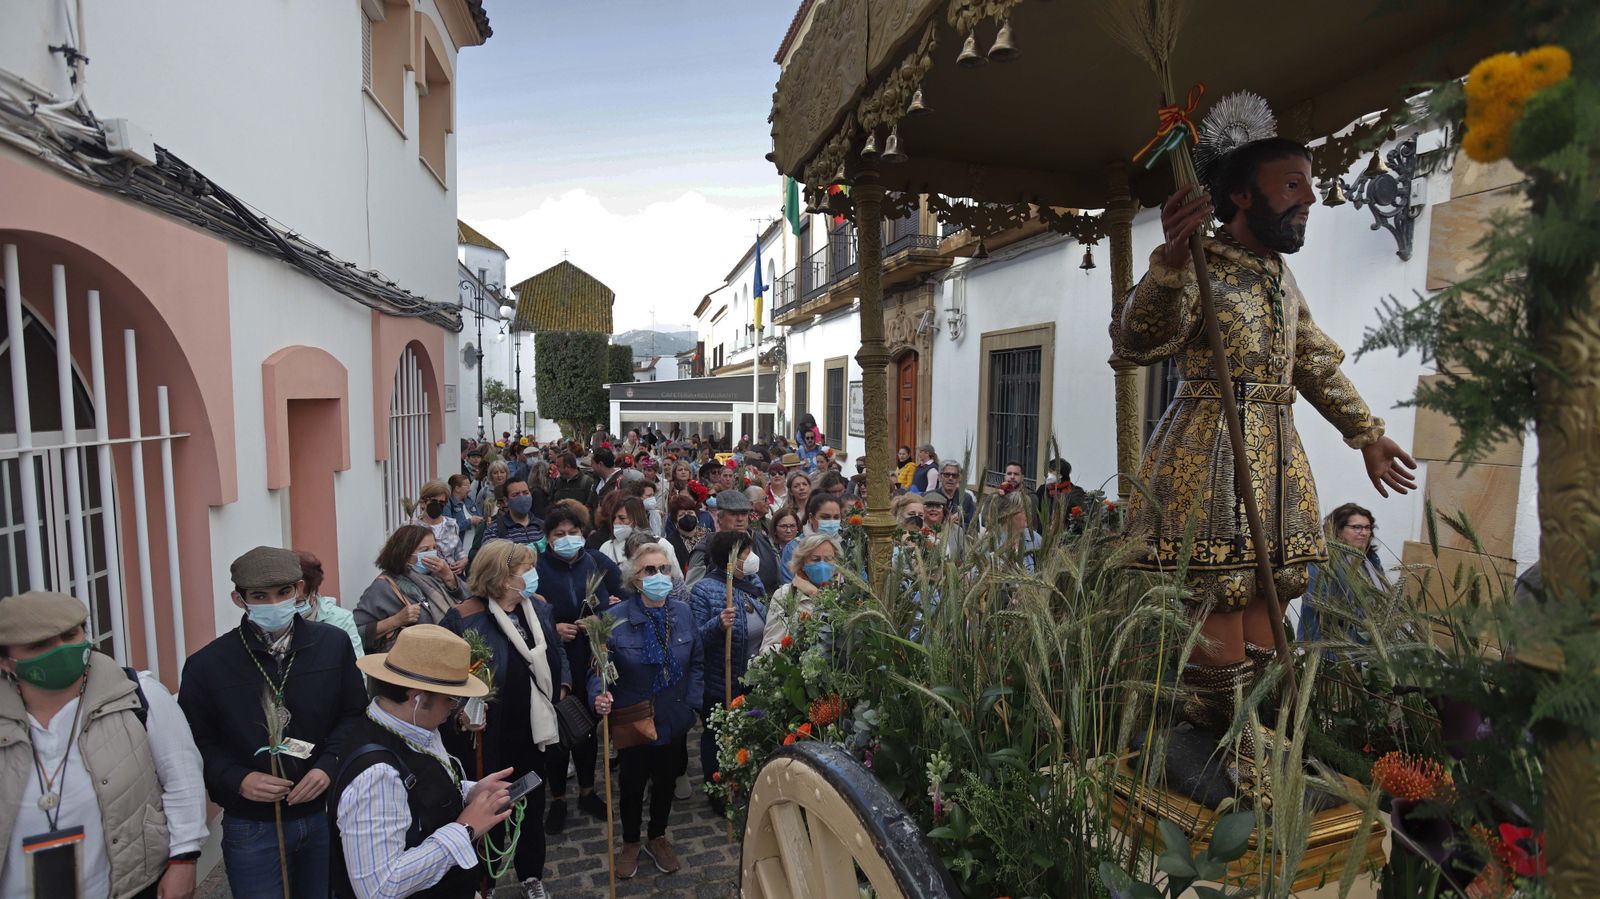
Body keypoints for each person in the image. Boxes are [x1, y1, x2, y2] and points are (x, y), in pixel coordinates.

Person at [1111, 110, 1415, 796]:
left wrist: (1365, 432)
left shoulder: (1279, 277)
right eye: (1292, 185)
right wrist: (1165, 262)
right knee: (1220, 595)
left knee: (1267, 605)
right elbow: (1136, 339)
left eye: (1307, 185)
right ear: (1243, 194)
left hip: (1274, 458)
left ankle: (1239, 725)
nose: (1307, 199)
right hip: (1212, 452)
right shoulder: (1199, 264)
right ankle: (1227, 740)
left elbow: (1311, 359)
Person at [180, 546, 366, 899]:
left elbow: (354, 715)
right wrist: (238, 779)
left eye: (283, 592)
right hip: (251, 824)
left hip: (322, 813)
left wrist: (329, 766)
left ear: (298, 589)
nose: (273, 603)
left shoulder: (333, 644)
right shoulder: (207, 665)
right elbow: (196, 743)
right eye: (260, 596)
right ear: (240, 599)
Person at [0, 591, 207, 899]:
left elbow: (182, 777)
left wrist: (183, 859)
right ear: (7, 662)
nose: (62, 650)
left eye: (70, 635)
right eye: (40, 645)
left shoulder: (137, 694)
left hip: (125, 886)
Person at [330, 624, 515, 899]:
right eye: (450, 701)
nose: (453, 709)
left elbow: (417, 797)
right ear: (417, 699)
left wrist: (468, 792)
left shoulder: (414, 727)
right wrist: (465, 829)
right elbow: (379, 888)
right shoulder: (376, 775)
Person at [439, 541, 567, 897]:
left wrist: (564, 686)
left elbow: (556, 651)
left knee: (532, 803)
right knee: (490, 809)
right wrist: (459, 712)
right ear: (499, 576)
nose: (532, 576)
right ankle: (487, 880)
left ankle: (531, 874)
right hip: (488, 735)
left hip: (533, 730)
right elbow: (443, 678)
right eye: (523, 570)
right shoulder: (464, 617)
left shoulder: (538, 608)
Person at [590, 546, 702, 879]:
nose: (657, 576)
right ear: (634, 579)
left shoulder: (683, 612)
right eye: (648, 571)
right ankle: (630, 841)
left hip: (673, 715)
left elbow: (696, 661)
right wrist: (600, 697)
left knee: (666, 781)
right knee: (632, 784)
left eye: (663, 569)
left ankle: (657, 836)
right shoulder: (614, 618)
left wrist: (693, 703)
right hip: (633, 717)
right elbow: (599, 670)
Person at [538, 503, 619, 834]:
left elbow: (623, 596)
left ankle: (587, 790)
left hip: (590, 657)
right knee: (556, 731)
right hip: (552, 661)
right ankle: (557, 797)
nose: (568, 539)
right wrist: (552, 628)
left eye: (574, 533)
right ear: (547, 539)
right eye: (560, 534)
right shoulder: (537, 568)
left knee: (587, 728)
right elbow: (522, 611)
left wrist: (601, 621)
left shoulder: (595, 562)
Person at [688, 531, 767, 810]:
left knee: (746, 733)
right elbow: (695, 639)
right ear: (730, 559)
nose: (752, 558)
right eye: (746, 554)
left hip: (753, 678)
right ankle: (718, 789)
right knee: (717, 736)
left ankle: (744, 781)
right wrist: (717, 624)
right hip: (721, 679)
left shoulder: (753, 582)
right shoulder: (704, 590)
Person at [355, 526, 468, 654]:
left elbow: (469, 601)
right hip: (410, 666)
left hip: (448, 658)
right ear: (405, 553)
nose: (432, 554)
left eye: (434, 548)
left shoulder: (437, 576)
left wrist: (449, 577)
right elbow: (355, 633)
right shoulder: (383, 587)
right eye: (425, 550)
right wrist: (396, 620)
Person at [1297, 503, 1391, 648]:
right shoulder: (1321, 560)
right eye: (1356, 527)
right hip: (1329, 648)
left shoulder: (1371, 560)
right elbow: (1317, 601)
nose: (1364, 533)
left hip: (1366, 647)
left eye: (1367, 528)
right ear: (1338, 530)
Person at [760, 534, 841, 655]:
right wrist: (797, 652)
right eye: (815, 559)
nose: (823, 565)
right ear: (802, 563)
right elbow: (768, 650)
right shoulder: (785, 595)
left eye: (828, 559)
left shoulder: (844, 596)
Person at [295, 549, 363, 658]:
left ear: (313, 594)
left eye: (297, 602)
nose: (289, 608)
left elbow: (357, 669)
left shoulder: (341, 619)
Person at [598, 496, 682, 582]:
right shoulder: (607, 547)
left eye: (622, 518)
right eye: (613, 518)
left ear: (636, 519)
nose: (616, 522)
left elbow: (677, 579)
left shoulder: (662, 545)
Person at [410, 480, 468, 576]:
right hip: (422, 580)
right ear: (423, 503)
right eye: (433, 501)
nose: (437, 505)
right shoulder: (411, 526)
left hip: (450, 579)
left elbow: (459, 552)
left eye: (442, 502)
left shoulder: (451, 525)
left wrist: (463, 562)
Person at [781, 493, 844, 580]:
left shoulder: (847, 545)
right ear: (811, 517)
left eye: (836, 517)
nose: (831, 522)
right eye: (825, 517)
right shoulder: (794, 547)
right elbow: (788, 582)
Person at [483, 475, 545, 548]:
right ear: (506, 501)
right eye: (516, 494)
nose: (522, 497)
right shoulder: (494, 531)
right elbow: (488, 557)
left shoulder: (543, 527)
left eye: (525, 493)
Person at [1036, 458, 1090, 532]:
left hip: (1066, 537)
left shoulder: (1076, 492)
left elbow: (1080, 516)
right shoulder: (1043, 490)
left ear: (1060, 475)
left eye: (1051, 471)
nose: (1047, 474)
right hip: (1043, 536)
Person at [931, 461, 978, 526]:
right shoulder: (930, 497)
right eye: (947, 475)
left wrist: (960, 525)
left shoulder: (966, 498)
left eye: (954, 475)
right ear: (939, 477)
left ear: (959, 479)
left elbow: (974, 525)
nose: (950, 478)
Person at [445, 474, 484, 545]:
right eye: (467, 486)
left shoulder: (470, 501)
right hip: (459, 547)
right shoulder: (448, 504)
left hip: (474, 545)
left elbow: (479, 517)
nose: (470, 489)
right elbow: (449, 529)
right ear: (457, 488)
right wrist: (470, 521)